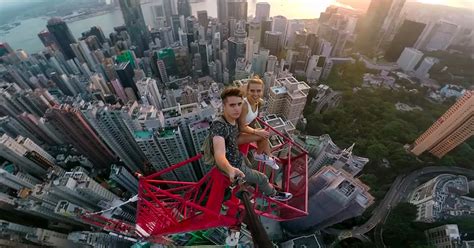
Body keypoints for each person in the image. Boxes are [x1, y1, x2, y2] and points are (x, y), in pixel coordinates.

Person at [209, 87, 292, 201]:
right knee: (262, 178)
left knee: (249, 163)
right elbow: (219, 154)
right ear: (224, 106)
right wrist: (229, 169)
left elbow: (244, 123)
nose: (237, 108)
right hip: (233, 165)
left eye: (239, 104)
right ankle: (273, 194)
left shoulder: (234, 119)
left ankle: (246, 182)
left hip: (238, 156)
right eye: (232, 105)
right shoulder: (219, 126)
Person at [237, 77, 278, 169]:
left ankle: (268, 155)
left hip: (243, 131)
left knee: (264, 132)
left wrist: (258, 131)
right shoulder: (244, 105)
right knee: (263, 134)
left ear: (262, 91)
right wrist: (256, 132)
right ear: (248, 91)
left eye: (258, 91)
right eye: (252, 90)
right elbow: (241, 127)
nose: (255, 94)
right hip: (234, 136)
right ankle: (260, 155)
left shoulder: (258, 102)